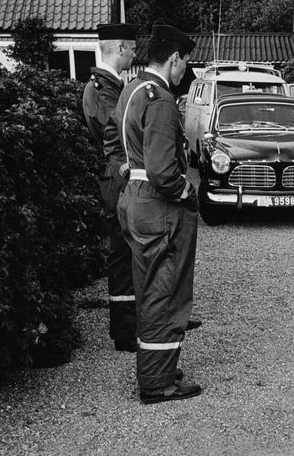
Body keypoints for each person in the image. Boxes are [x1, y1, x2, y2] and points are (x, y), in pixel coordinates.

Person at [114, 23, 202, 404]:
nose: (186, 72)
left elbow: (118, 144)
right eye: (186, 63)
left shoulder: (132, 90)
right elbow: (164, 171)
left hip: (134, 198)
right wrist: (186, 191)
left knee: (148, 286)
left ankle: (159, 368)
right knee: (165, 292)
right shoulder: (161, 99)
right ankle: (157, 383)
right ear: (175, 58)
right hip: (158, 205)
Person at [82, 23, 140, 353]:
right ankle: (124, 329)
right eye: (131, 48)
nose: (134, 54)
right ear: (119, 49)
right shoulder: (103, 89)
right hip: (118, 177)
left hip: (117, 175)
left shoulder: (110, 86)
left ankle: (139, 320)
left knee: (131, 251)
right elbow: (114, 135)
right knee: (123, 254)